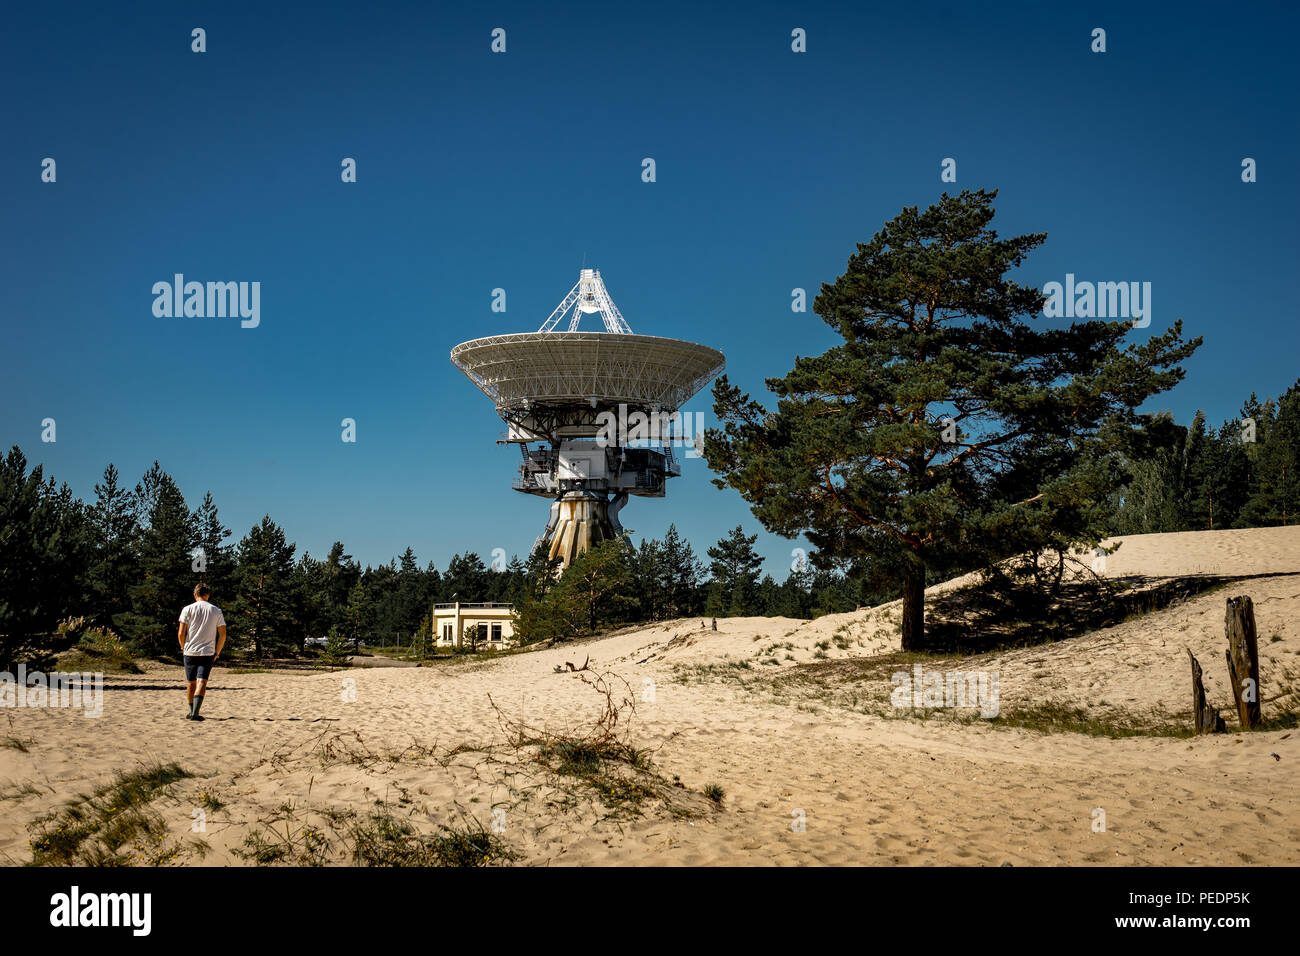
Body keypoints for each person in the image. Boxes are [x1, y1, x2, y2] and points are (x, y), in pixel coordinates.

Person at [177, 583, 226, 721]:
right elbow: (223, 634)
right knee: (202, 682)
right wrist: (217, 652)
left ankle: (191, 710)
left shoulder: (187, 609)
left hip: (190, 651)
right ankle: (196, 713)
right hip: (207, 651)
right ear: (208, 595)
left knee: (190, 682)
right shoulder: (216, 611)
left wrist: (183, 647)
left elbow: (181, 632)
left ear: (195, 595)